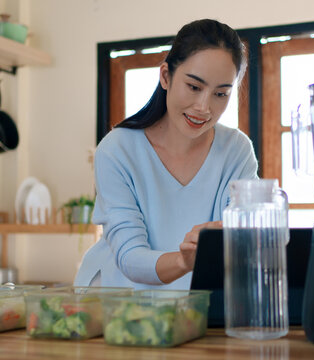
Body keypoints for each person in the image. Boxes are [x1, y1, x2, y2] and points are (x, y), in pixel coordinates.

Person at [75, 19, 258, 290]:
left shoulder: (236, 151)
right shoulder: (116, 150)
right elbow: (129, 257)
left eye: (220, 93)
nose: (204, 107)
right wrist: (186, 260)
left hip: (193, 308)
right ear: (165, 76)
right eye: (194, 87)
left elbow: (241, 239)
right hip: (115, 303)